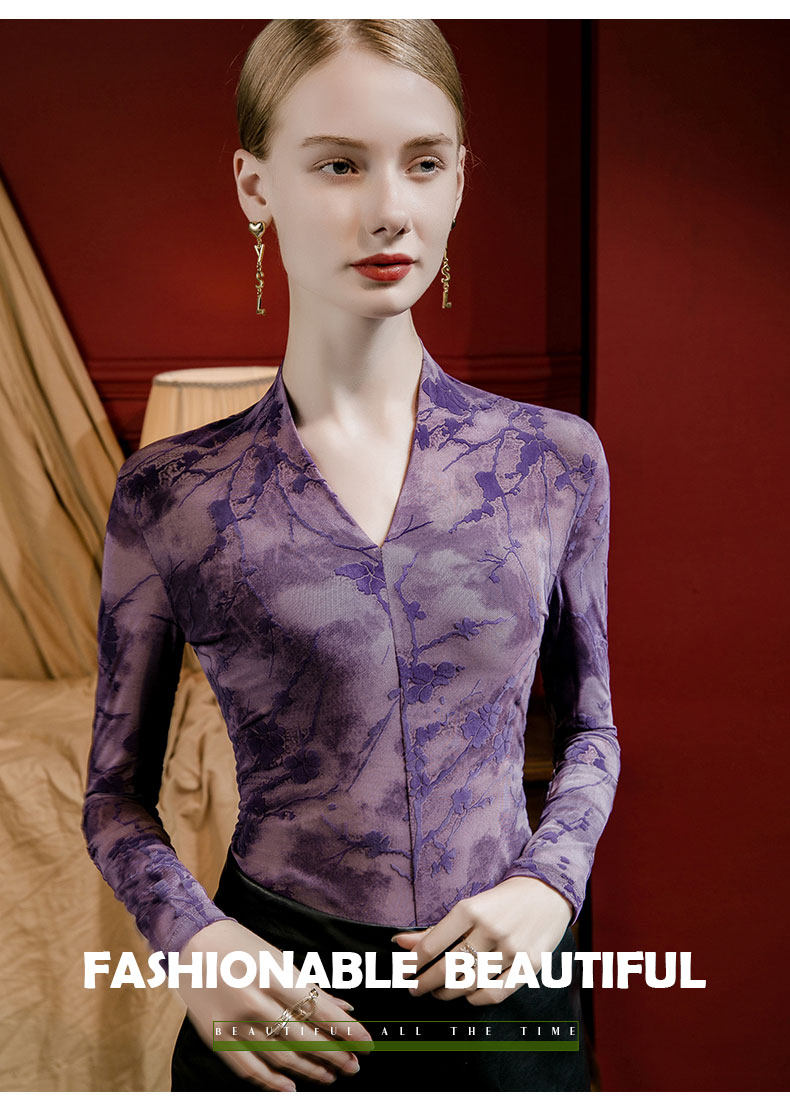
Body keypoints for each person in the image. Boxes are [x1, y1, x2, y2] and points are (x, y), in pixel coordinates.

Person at [82, 18, 620, 1093]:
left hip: (508, 988)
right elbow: (114, 796)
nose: (389, 209)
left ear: (458, 178)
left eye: (423, 162)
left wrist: (549, 886)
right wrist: (195, 940)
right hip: (276, 997)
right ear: (255, 185)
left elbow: (592, 730)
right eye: (338, 165)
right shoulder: (171, 493)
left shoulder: (551, 460)